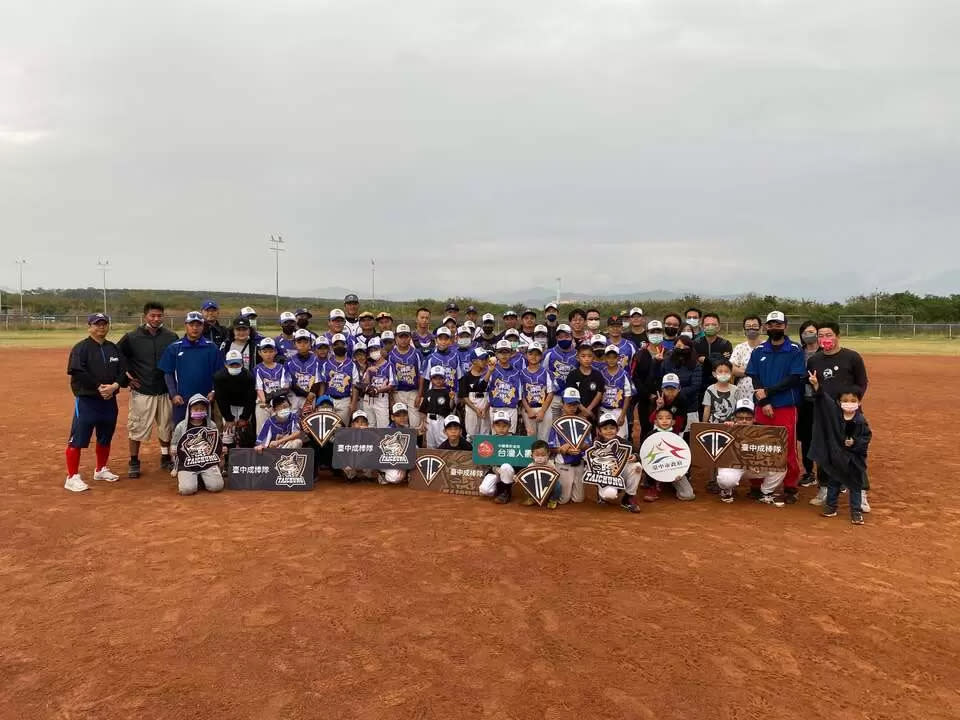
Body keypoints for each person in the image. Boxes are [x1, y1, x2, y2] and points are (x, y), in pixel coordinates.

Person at [746, 311, 806, 504]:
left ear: (785, 326)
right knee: (759, 446)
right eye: (771, 325)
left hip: (785, 406)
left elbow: (794, 378)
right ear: (766, 327)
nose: (774, 328)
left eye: (778, 324)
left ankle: (790, 486)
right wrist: (763, 402)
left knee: (787, 448)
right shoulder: (759, 350)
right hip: (762, 406)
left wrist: (768, 393)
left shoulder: (795, 350)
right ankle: (757, 485)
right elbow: (754, 376)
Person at [807, 321, 870, 507]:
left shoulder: (852, 357)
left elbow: (862, 383)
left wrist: (850, 404)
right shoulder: (814, 360)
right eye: (821, 336)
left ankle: (860, 492)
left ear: (837, 336)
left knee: (853, 450)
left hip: (849, 414)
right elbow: (814, 386)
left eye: (828, 335)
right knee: (824, 449)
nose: (824, 339)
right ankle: (825, 488)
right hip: (824, 413)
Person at [64, 313, 127, 492]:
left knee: (105, 436)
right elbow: (77, 371)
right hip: (87, 400)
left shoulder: (113, 348)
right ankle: (72, 477)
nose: (101, 327)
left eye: (104, 324)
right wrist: (99, 387)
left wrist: (114, 386)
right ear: (89, 326)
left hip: (109, 400)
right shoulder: (81, 348)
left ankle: (100, 469)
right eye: (97, 324)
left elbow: (123, 371)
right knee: (78, 438)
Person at [117, 301, 178, 478]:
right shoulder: (132, 337)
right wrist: (126, 380)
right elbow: (117, 357)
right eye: (153, 315)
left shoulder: (171, 337)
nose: (156, 319)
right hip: (143, 390)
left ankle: (165, 457)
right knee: (136, 427)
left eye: (159, 315)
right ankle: (134, 461)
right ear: (145, 316)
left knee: (166, 427)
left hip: (165, 390)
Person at [808, 373, 871, 525]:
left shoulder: (860, 421)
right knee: (834, 483)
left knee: (855, 486)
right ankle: (831, 507)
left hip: (854, 461)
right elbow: (824, 400)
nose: (849, 403)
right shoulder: (835, 415)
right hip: (837, 458)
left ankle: (856, 512)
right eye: (845, 401)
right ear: (838, 402)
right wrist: (816, 385)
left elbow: (866, 438)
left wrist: (855, 443)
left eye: (853, 401)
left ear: (859, 402)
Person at [715, 399, 786, 505]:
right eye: (740, 418)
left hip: (755, 467)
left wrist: (758, 462)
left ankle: (766, 493)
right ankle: (726, 490)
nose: (744, 421)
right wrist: (725, 429)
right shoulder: (728, 428)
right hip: (734, 467)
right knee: (726, 479)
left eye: (748, 418)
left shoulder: (763, 431)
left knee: (780, 467)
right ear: (734, 418)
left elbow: (772, 453)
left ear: (754, 418)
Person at [159, 311, 221, 426]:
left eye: (198, 325)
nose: (195, 328)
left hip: (205, 399)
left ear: (203, 326)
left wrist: (213, 391)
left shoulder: (211, 347)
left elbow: (218, 373)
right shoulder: (174, 348)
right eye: (191, 325)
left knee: (204, 431)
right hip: (182, 399)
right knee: (181, 430)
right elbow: (168, 373)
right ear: (185, 325)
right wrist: (173, 394)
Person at [169, 394, 224, 496]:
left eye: (202, 409)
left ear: (207, 410)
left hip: (207, 462)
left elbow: (217, 442)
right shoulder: (181, 426)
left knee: (217, 486)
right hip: (187, 463)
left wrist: (221, 450)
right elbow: (174, 443)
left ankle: (203, 477)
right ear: (189, 410)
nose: (199, 412)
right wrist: (174, 451)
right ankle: (192, 478)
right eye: (196, 409)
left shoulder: (211, 425)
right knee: (187, 490)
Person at [639, 407, 696, 502]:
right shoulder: (650, 436)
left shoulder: (678, 437)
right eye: (660, 418)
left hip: (673, 469)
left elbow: (686, 457)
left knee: (688, 495)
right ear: (656, 422)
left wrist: (683, 472)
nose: (664, 421)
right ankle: (652, 485)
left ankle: (670, 484)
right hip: (655, 469)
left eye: (668, 418)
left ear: (673, 422)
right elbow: (644, 456)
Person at [548, 388, 592, 504]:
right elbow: (551, 447)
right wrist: (563, 449)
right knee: (563, 500)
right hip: (563, 463)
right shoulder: (556, 423)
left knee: (578, 499)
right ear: (562, 404)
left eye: (575, 405)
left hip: (578, 463)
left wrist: (580, 446)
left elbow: (589, 445)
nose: (572, 408)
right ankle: (551, 489)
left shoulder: (583, 422)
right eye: (569, 404)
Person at [593, 412, 642, 513]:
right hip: (606, 477)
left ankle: (628, 497)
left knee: (637, 467)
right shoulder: (596, 444)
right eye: (605, 428)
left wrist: (635, 457)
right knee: (609, 495)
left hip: (620, 474)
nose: (609, 431)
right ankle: (602, 494)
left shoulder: (624, 443)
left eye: (612, 428)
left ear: (617, 429)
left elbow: (637, 454)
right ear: (599, 431)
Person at [654, 335, 702, 430]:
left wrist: (676, 393)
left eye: (685, 347)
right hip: (668, 407)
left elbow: (695, 386)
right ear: (674, 346)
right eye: (679, 346)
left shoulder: (696, 365)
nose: (682, 349)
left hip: (690, 407)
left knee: (688, 436)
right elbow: (659, 379)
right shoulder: (667, 362)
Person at [212, 349, 257, 451]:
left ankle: (244, 456)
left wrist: (244, 417)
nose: (235, 367)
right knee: (228, 431)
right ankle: (228, 458)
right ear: (226, 364)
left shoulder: (249, 376)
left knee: (244, 431)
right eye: (232, 365)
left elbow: (251, 398)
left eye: (237, 364)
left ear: (242, 363)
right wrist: (228, 418)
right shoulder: (219, 377)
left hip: (244, 404)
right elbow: (221, 398)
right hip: (228, 405)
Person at [388, 324, 423, 439]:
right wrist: (391, 398)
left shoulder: (416, 353)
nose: (403, 339)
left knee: (415, 422)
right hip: (398, 392)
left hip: (413, 391)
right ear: (396, 337)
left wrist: (419, 394)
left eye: (406, 336)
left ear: (410, 337)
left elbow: (421, 375)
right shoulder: (391, 355)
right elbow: (390, 378)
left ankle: (414, 447)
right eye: (400, 336)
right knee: (400, 422)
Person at [796, 321, 821, 487]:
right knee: (806, 438)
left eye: (811, 331)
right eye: (805, 332)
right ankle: (808, 472)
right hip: (803, 400)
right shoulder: (799, 352)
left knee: (825, 437)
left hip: (822, 400)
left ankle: (831, 475)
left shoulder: (825, 352)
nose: (808, 335)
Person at [477, 409, 518, 504]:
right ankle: (500, 487)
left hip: (510, 472)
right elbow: (487, 461)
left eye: (504, 426)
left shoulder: (516, 439)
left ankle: (506, 492)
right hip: (496, 471)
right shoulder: (490, 440)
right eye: (498, 425)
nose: (501, 428)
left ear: (510, 426)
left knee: (506, 467)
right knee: (484, 490)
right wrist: (495, 469)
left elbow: (520, 460)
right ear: (493, 426)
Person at [354, 337, 394, 427]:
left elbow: (392, 384)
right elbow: (364, 385)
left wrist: (377, 390)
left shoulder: (389, 365)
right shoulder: (370, 366)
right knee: (369, 425)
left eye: (376, 349)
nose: (373, 352)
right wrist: (368, 371)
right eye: (371, 350)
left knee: (383, 426)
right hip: (368, 399)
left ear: (382, 349)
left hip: (381, 398)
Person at [253, 337, 291, 430]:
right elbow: (259, 388)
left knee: (282, 427)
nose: (268, 354)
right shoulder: (257, 368)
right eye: (265, 352)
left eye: (271, 351)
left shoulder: (281, 368)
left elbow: (284, 387)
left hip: (280, 402)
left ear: (275, 352)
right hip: (263, 403)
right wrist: (265, 402)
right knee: (262, 428)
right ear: (259, 353)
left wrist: (277, 402)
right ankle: (262, 443)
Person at [519, 342, 555, 440]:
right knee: (530, 438)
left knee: (544, 438)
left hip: (544, 408)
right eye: (531, 354)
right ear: (526, 355)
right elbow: (521, 394)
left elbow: (550, 393)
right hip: (528, 409)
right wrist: (528, 410)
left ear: (541, 356)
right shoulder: (521, 373)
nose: (534, 357)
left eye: (537, 354)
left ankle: (543, 455)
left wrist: (542, 411)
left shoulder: (547, 372)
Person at [318, 333, 355, 425]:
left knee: (342, 428)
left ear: (346, 345)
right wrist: (320, 400)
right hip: (328, 400)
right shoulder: (326, 364)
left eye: (342, 344)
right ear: (332, 347)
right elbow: (323, 384)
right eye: (336, 344)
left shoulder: (352, 364)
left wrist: (353, 403)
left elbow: (355, 385)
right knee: (326, 427)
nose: (339, 346)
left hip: (345, 400)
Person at [487, 339, 523, 432]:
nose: (504, 355)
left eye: (506, 352)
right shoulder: (491, 369)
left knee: (511, 436)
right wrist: (489, 371)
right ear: (496, 354)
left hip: (511, 408)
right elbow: (484, 388)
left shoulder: (517, 372)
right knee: (495, 436)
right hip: (495, 407)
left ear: (511, 353)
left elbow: (519, 395)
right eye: (501, 352)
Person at [564, 342, 605, 421]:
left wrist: (588, 410)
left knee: (593, 432)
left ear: (593, 358)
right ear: (577, 358)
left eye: (589, 356)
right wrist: (583, 410)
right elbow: (570, 395)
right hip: (576, 411)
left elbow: (599, 394)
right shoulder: (572, 375)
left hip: (593, 412)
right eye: (583, 356)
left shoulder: (598, 375)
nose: (587, 359)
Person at [599, 345, 632, 439]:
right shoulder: (601, 373)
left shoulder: (624, 374)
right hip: (604, 410)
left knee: (620, 438)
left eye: (614, 357)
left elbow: (628, 396)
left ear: (618, 358)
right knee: (604, 438)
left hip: (618, 411)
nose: (611, 360)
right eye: (608, 357)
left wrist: (623, 414)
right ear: (605, 358)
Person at [459, 348, 492, 440]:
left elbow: (491, 393)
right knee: (471, 434)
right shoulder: (466, 376)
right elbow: (464, 396)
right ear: (474, 361)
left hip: (486, 405)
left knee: (485, 435)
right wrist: (475, 409)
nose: (485, 361)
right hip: (471, 406)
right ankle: (471, 454)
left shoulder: (489, 373)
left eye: (486, 358)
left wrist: (485, 409)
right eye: (482, 359)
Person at [420, 365, 456, 448]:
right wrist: (423, 422)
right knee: (430, 443)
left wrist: (452, 399)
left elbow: (450, 408)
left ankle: (444, 459)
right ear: (431, 379)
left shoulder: (447, 392)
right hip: (429, 420)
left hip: (441, 419)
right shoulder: (428, 392)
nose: (438, 380)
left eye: (440, 378)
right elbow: (423, 409)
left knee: (442, 441)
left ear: (444, 379)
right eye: (435, 378)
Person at [730, 315, 764, 403]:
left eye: (755, 326)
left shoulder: (767, 347)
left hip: (763, 393)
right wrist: (752, 372)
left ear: (760, 328)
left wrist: (742, 370)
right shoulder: (739, 348)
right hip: (742, 393)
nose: (751, 329)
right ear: (744, 330)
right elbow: (731, 368)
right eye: (748, 327)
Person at [519, 440, 561, 509]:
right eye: (537, 455)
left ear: (548, 454)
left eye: (543, 455)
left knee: (558, 485)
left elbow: (555, 476)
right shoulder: (530, 466)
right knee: (525, 483)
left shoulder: (551, 465)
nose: (540, 457)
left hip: (547, 486)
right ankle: (531, 498)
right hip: (536, 486)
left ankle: (553, 499)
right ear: (532, 455)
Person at [286, 329, 320, 413]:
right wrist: (306, 394)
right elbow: (290, 383)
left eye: (305, 342)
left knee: (309, 423)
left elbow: (318, 380)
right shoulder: (289, 361)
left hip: (311, 396)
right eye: (299, 342)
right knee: (294, 423)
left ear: (310, 343)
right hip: (294, 397)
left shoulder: (317, 360)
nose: (302, 345)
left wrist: (311, 393)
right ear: (294, 344)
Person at [421, 327, 460, 397]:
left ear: (450, 340)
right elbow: (426, 380)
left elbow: (460, 378)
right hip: (434, 395)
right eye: (440, 339)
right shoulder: (431, 358)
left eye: (446, 339)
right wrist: (424, 396)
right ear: (436, 340)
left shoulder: (455, 356)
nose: (443, 342)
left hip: (452, 394)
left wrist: (461, 396)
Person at [342, 409, 378, 482]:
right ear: (352, 425)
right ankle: (352, 476)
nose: (360, 424)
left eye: (363, 422)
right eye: (357, 422)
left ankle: (368, 475)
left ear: (367, 424)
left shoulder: (372, 434)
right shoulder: (347, 435)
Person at [381, 403, 413, 485]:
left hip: (397, 461)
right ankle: (382, 474)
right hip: (385, 462)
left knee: (415, 448)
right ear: (392, 417)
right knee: (396, 478)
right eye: (398, 415)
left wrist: (404, 468)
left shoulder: (408, 430)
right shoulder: (387, 431)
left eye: (404, 415)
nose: (402, 418)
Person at [701, 359, 737, 423]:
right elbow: (707, 409)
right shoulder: (710, 389)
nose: (723, 374)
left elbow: (739, 409)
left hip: (731, 426)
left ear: (731, 373)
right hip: (713, 426)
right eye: (720, 371)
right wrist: (704, 425)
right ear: (714, 374)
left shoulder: (736, 390)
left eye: (726, 371)